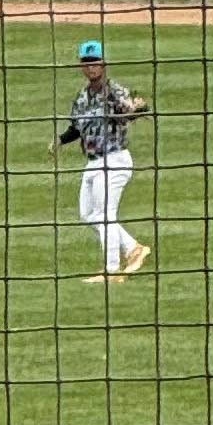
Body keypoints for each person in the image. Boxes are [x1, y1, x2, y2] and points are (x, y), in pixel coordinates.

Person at [53, 40, 151, 284]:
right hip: (93, 162)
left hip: (115, 159)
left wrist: (138, 108)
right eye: (86, 63)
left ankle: (112, 270)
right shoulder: (82, 97)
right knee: (88, 214)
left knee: (105, 215)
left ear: (103, 64)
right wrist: (59, 141)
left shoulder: (113, 91)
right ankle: (133, 248)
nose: (91, 67)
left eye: (95, 62)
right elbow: (77, 127)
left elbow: (129, 111)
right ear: (82, 67)